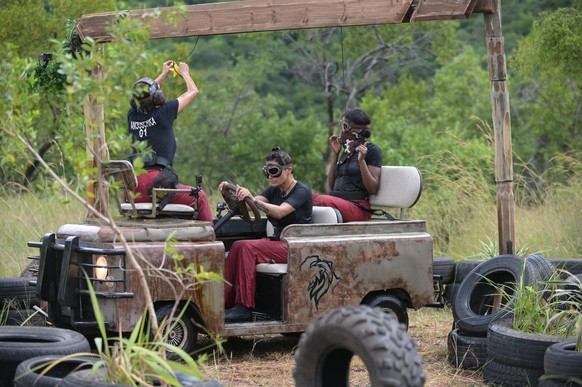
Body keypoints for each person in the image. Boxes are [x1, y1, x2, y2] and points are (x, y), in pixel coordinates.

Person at [219, 148, 312, 322]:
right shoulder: (274, 189)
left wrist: (252, 199)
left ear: (288, 169)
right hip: (279, 242)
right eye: (267, 172)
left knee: (248, 247)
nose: (270, 176)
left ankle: (245, 307)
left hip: (296, 246)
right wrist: (231, 193)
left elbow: (279, 212)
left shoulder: (301, 191)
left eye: (274, 171)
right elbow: (248, 206)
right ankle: (226, 301)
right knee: (238, 245)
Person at [127, 60, 213, 223]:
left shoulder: (132, 116)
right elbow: (193, 91)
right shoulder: (163, 113)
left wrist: (163, 74)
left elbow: (143, 96)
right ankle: (211, 241)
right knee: (200, 197)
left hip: (133, 188)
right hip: (156, 186)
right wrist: (185, 73)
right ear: (157, 97)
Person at [312, 108, 383, 222]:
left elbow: (373, 189)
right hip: (337, 201)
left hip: (358, 207)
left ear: (357, 130)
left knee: (320, 201)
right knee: (304, 195)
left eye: (344, 126)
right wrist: (335, 154)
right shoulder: (346, 152)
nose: (342, 131)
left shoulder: (372, 150)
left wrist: (362, 162)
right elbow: (331, 186)